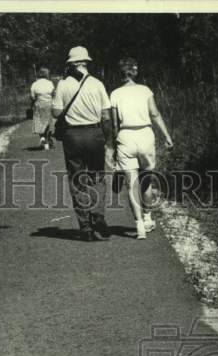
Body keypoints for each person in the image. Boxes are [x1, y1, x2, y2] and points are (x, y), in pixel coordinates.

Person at [52, 46, 114, 242]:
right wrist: (108, 139)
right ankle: (98, 214)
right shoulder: (97, 83)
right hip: (95, 133)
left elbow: (55, 112)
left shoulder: (63, 85)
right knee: (98, 177)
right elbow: (105, 115)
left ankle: (85, 227)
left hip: (72, 136)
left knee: (77, 180)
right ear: (86, 62)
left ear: (70, 64)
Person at [110, 56, 173, 239]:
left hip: (125, 136)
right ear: (134, 72)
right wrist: (167, 136)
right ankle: (147, 217)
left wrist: (114, 146)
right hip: (145, 135)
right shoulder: (145, 90)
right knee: (146, 179)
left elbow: (114, 125)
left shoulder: (115, 94)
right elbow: (154, 113)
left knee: (131, 184)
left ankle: (138, 226)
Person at [29, 66, 55, 149]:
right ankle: (47, 142)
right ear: (47, 74)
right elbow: (54, 94)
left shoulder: (35, 84)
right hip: (49, 104)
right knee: (48, 123)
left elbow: (32, 97)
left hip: (39, 105)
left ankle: (42, 138)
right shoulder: (50, 83)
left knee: (40, 122)